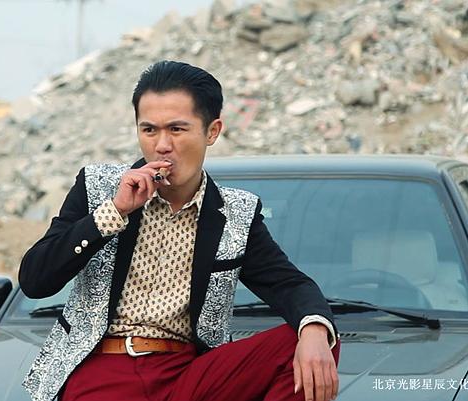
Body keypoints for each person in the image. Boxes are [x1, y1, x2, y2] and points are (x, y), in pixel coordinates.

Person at [19, 60, 340, 401]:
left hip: (189, 373)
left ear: (212, 132)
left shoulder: (236, 213)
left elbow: (289, 284)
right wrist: (114, 212)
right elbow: (35, 280)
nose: (162, 145)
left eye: (176, 129)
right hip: (105, 369)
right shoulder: (98, 187)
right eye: (149, 130)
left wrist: (314, 327)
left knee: (315, 337)